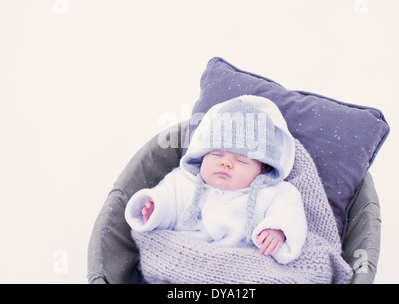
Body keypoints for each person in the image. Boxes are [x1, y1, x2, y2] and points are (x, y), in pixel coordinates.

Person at [125, 95, 307, 264]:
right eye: (216, 154)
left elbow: (288, 211)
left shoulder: (272, 192)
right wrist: (156, 209)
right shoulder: (183, 182)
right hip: (184, 259)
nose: (226, 163)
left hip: (242, 265)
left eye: (242, 160)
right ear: (202, 155)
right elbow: (168, 201)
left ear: (263, 168)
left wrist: (278, 229)